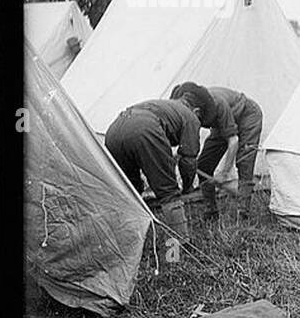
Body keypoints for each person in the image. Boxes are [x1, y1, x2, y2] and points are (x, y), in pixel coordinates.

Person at [104, 90, 213, 242]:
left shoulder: (163, 105)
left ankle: (123, 241)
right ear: (197, 111)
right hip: (145, 130)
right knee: (169, 194)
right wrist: (187, 186)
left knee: (129, 190)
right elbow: (188, 160)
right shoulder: (191, 117)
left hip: (113, 132)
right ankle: (178, 249)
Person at [171, 82, 265, 222]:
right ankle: (211, 212)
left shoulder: (217, 103)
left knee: (244, 162)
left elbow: (233, 141)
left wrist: (224, 174)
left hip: (247, 115)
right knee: (203, 166)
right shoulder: (186, 109)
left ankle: (243, 215)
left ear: (195, 109)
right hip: (221, 124)